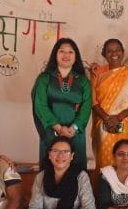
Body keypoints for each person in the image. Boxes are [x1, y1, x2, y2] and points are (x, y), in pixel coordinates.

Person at [32, 38, 92, 170]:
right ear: (55, 54)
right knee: (51, 167)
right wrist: (58, 128)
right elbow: (40, 106)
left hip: (75, 133)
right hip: (51, 131)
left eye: (70, 52)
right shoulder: (44, 78)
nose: (66, 55)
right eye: (62, 51)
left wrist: (74, 128)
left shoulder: (83, 81)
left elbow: (86, 107)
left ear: (76, 56)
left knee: (75, 168)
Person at [91, 38, 128, 171]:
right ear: (104, 54)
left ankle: (124, 184)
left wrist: (118, 118)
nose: (114, 53)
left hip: (125, 121)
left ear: (123, 52)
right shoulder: (97, 73)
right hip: (103, 122)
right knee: (104, 159)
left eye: (117, 50)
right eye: (109, 51)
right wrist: (106, 118)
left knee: (124, 156)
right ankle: (104, 184)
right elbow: (93, 100)